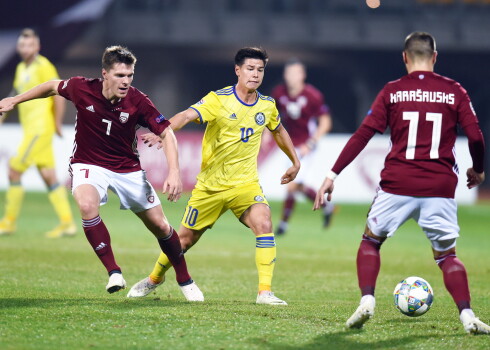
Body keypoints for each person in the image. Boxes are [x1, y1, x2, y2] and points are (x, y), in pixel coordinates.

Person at [314, 32, 489, 334]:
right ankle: (467, 316)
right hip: (440, 187)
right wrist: (479, 170)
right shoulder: (454, 91)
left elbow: (363, 135)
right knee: (447, 256)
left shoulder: (393, 91)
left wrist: (332, 175)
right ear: (435, 57)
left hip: (397, 183)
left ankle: (367, 300)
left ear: (405, 57)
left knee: (371, 241)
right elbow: (475, 136)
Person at [0, 45, 203, 300]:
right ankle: (114, 272)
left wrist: (174, 171)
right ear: (105, 74)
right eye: (120, 75)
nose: (126, 81)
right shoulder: (81, 87)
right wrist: (15, 100)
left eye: (130, 75)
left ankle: (185, 280)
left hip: (126, 168)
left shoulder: (139, 101)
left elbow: (167, 133)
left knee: (161, 226)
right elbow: (51, 86)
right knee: (86, 206)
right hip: (88, 163)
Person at [126, 47, 300, 305]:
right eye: (250, 69)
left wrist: (295, 161)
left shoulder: (267, 105)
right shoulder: (218, 99)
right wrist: (163, 131)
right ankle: (154, 278)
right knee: (183, 240)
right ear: (238, 70)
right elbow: (186, 115)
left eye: (260, 70)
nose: (255, 74)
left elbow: (278, 129)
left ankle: (265, 292)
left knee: (264, 223)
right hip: (211, 187)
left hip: (245, 185)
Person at [0, 28, 76, 238]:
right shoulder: (21, 68)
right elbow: (16, 92)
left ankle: (8, 222)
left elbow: (59, 93)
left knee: (13, 170)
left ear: (38, 47)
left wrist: (57, 123)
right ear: (18, 47)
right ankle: (68, 223)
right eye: (22, 45)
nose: (26, 48)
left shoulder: (43, 66)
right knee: (48, 176)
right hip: (31, 130)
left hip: (39, 129)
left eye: (30, 45)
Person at [271, 58, 334, 235]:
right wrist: (265, 137)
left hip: (307, 145)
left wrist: (312, 142)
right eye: (289, 73)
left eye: (295, 73)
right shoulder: (279, 93)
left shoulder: (312, 96)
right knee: (294, 185)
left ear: (302, 75)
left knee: (292, 185)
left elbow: (326, 122)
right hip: (290, 145)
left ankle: (283, 225)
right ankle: (327, 207)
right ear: (285, 75)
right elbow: (272, 117)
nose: (292, 77)